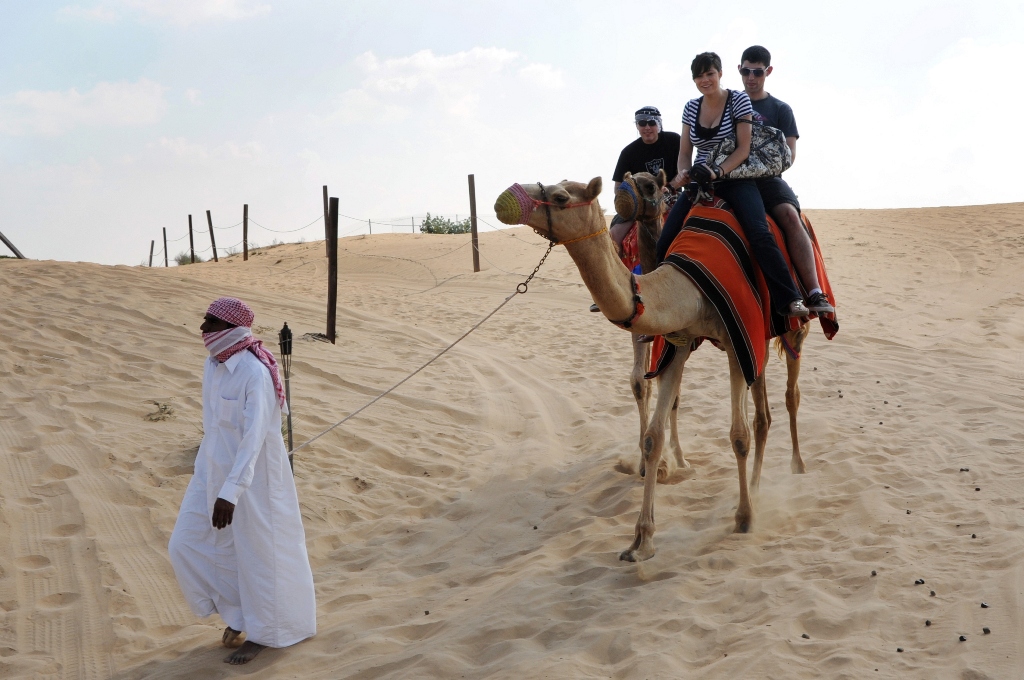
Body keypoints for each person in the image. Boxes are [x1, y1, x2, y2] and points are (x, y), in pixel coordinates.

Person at [169, 297, 316, 665]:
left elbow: (253, 439)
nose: (203, 330)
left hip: (254, 480)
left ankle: (267, 633)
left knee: (261, 555)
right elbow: (214, 429)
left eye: (210, 323)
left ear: (232, 329)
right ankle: (237, 615)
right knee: (186, 543)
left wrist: (231, 492)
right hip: (210, 471)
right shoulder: (213, 365)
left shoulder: (254, 372)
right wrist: (209, 478)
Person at [658, 52, 809, 318]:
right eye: (699, 76)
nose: (705, 80)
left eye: (710, 74)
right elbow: (685, 152)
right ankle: (656, 307)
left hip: (735, 178)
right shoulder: (691, 107)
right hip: (700, 181)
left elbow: (743, 148)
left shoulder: (738, 100)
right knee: (665, 239)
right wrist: (684, 174)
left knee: (759, 233)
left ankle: (790, 298)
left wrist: (717, 171)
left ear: (720, 73)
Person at [739, 45, 834, 314]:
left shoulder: (780, 109)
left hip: (768, 180)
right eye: (746, 71)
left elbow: (789, 155)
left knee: (791, 217)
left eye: (757, 72)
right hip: (733, 181)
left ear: (768, 71)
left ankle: (815, 292)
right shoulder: (728, 104)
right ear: (739, 70)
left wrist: (758, 165)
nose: (751, 78)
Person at [609, 106, 681, 254]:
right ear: (637, 126)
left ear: (659, 124)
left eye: (651, 123)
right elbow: (618, 187)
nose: (647, 127)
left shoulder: (674, 141)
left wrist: (669, 187)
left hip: (672, 196)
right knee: (614, 235)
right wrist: (632, 201)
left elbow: (684, 172)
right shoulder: (629, 152)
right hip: (640, 206)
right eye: (642, 123)